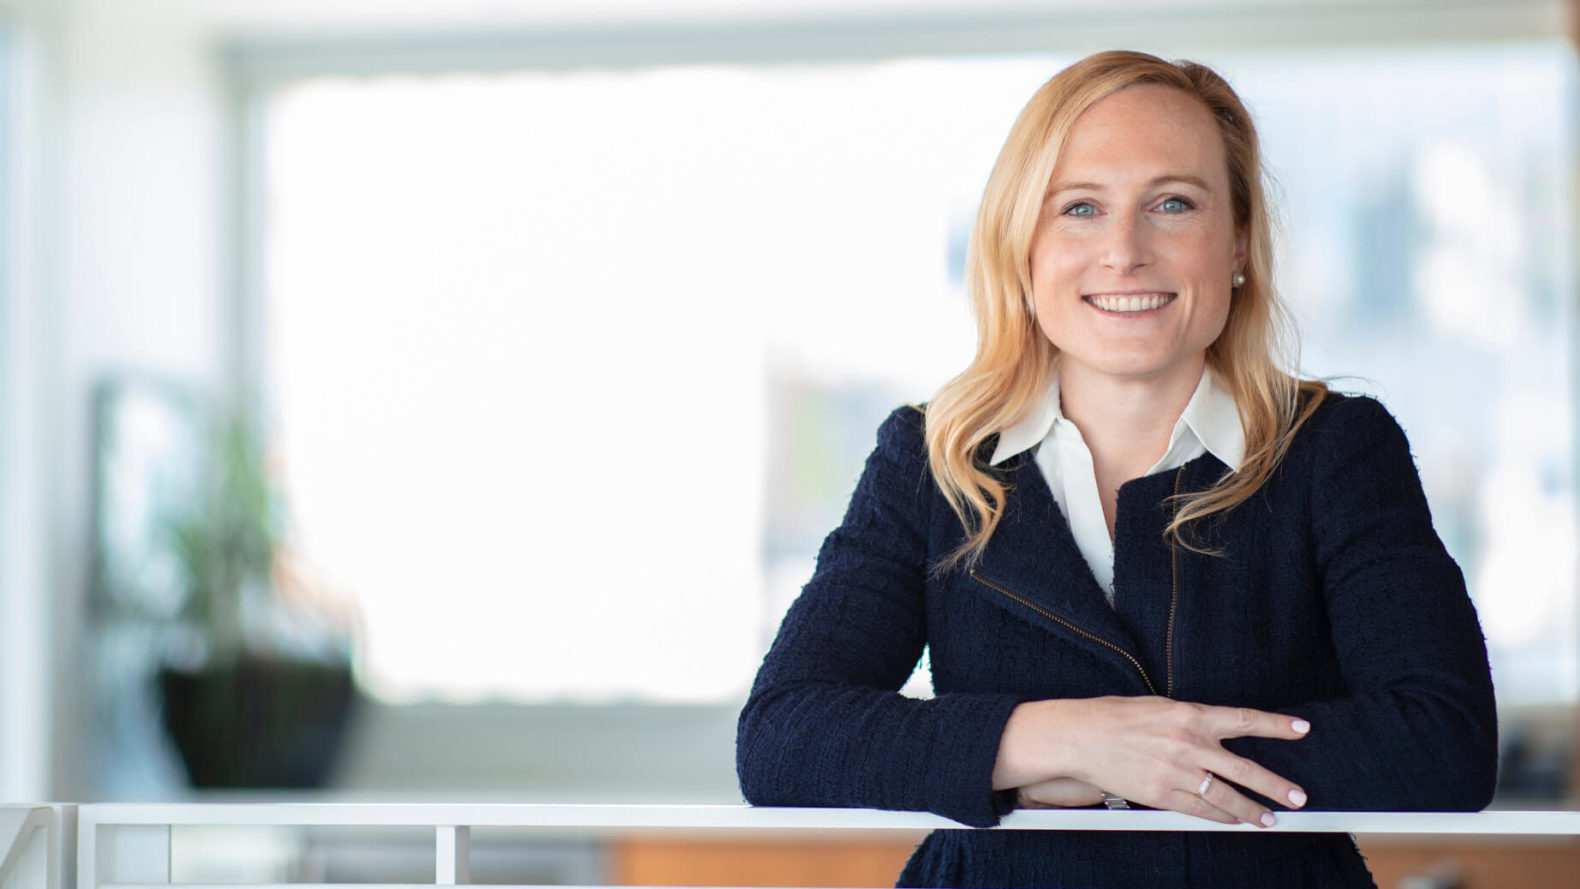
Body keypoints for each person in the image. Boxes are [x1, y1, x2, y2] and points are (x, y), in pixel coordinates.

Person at [735, 50, 1497, 888]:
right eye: (1081, 208)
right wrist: (1059, 739)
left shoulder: (1336, 449)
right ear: (1022, 246)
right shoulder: (932, 459)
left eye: (1172, 203)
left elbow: (1443, 740)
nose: (1124, 251)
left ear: (1238, 240)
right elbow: (783, 734)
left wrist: (1143, 765)